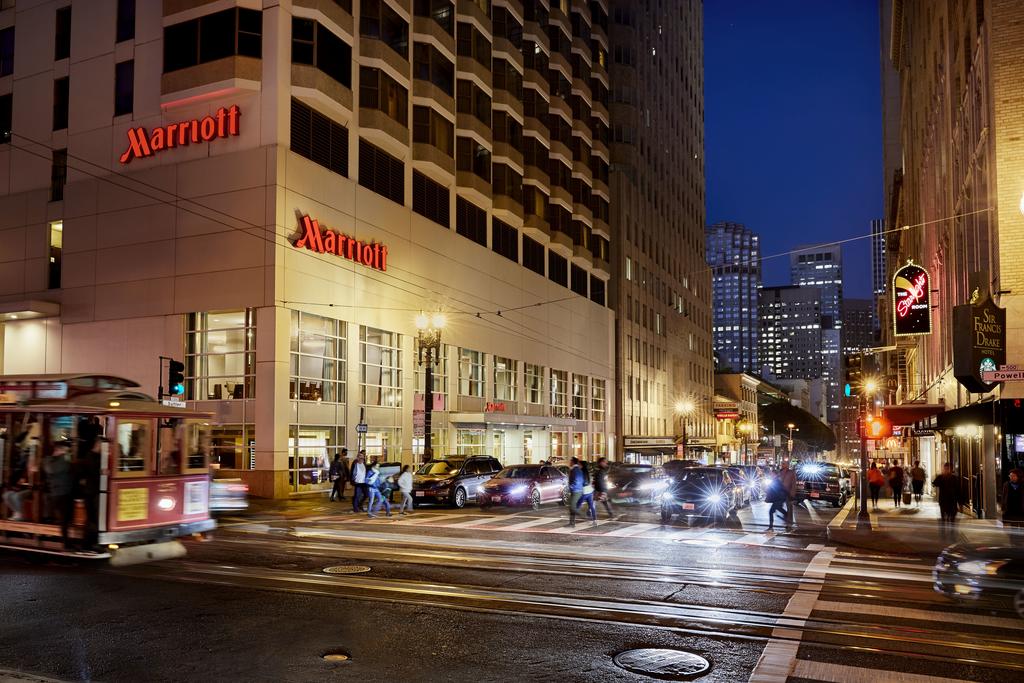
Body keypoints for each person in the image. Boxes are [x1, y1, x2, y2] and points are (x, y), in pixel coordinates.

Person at [42, 440, 74, 548]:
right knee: (64, 519)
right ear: (58, 450)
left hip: (64, 492)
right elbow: (54, 469)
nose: (67, 453)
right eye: (65, 451)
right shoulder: (53, 461)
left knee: (67, 518)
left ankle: (67, 540)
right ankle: (66, 542)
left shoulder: (55, 461)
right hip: (60, 493)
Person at [932, 462, 961, 541]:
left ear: (950, 469)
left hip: (951, 500)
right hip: (945, 500)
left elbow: (958, 490)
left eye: (947, 469)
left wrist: (959, 502)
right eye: (945, 469)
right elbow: (934, 483)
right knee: (945, 517)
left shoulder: (952, 478)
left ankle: (949, 532)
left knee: (951, 517)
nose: (946, 470)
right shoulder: (941, 477)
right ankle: (946, 532)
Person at [1000, 468, 1024, 546]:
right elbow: (1003, 497)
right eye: (1010, 476)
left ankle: (1021, 543)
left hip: (1022, 510)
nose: (1011, 477)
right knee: (1013, 527)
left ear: (1018, 476)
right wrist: (1003, 509)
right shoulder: (1006, 484)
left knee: (1022, 527)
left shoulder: (1023, 484)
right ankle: (1014, 544)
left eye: (1013, 476)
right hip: (1011, 510)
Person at [575, 459, 597, 526]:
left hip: (584, 491)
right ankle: (594, 521)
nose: (578, 465)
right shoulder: (586, 472)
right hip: (589, 491)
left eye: (579, 464)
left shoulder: (581, 472)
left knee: (577, 506)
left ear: (581, 465)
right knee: (591, 506)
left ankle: (572, 521)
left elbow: (581, 482)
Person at [778, 460, 797, 530]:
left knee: (789, 508)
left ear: (787, 465)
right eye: (782, 464)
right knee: (777, 506)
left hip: (788, 493)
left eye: (783, 464)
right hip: (781, 493)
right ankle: (786, 516)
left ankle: (789, 523)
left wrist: (792, 493)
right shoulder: (780, 472)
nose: (782, 465)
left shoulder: (791, 472)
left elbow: (794, 484)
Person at [567, 457, 584, 528]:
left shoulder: (575, 470)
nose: (569, 462)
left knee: (572, 506)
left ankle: (582, 515)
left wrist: (571, 487)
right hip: (578, 490)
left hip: (576, 490)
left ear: (573, 462)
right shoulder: (578, 469)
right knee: (571, 507)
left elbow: (577, 480)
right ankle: (572, 523)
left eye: (570, 461)